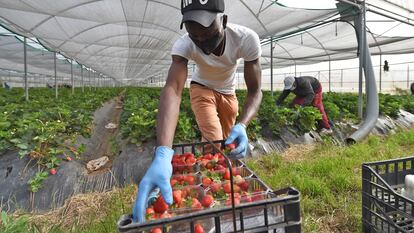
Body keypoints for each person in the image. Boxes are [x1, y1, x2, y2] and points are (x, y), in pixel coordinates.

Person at [132, 0, 262, 223]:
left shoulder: (245, 38)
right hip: (201, 87)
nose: (202, 42)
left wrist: (243, 124)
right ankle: (208, 200)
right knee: (212, 138)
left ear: (224, 21)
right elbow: (172, 89)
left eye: (208, 34)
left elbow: (255, 91)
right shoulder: (184, 45)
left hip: (229, 93)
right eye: (195, 36)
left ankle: (224, 185)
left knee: (229, 143)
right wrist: (163, 151)